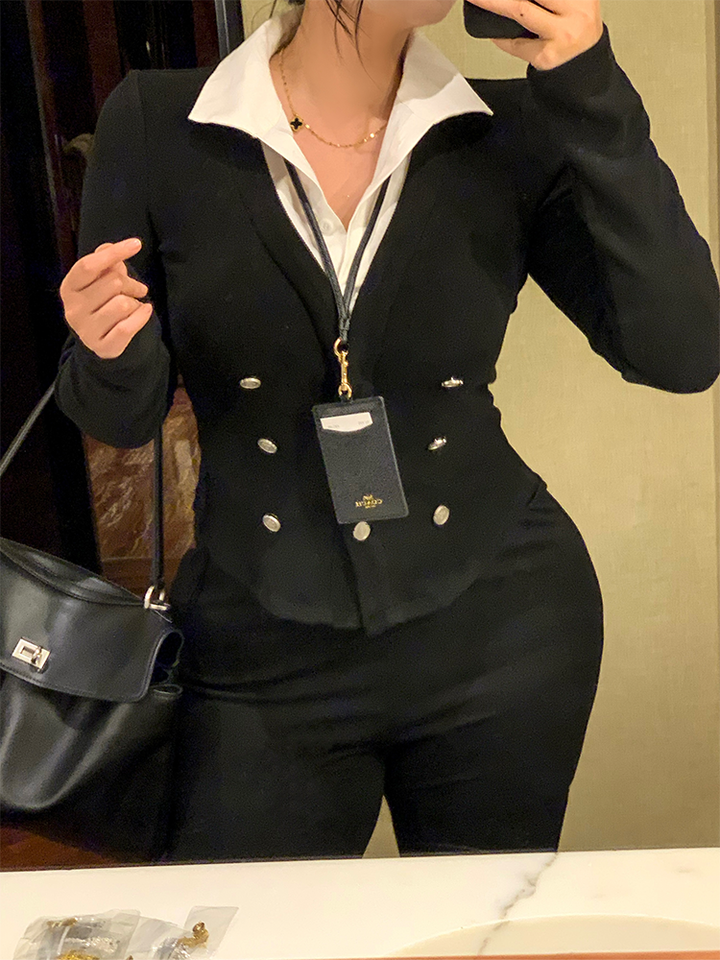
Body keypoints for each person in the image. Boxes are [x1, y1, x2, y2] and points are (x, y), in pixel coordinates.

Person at [56, 0, 719, 862]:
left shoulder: (508, 128)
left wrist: (589, 84)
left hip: (502, 632)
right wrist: (109, 348)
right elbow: (120, 415)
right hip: (258, 643)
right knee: (251, 924)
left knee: (479, 928)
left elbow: (683, 352)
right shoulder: (159, 123)